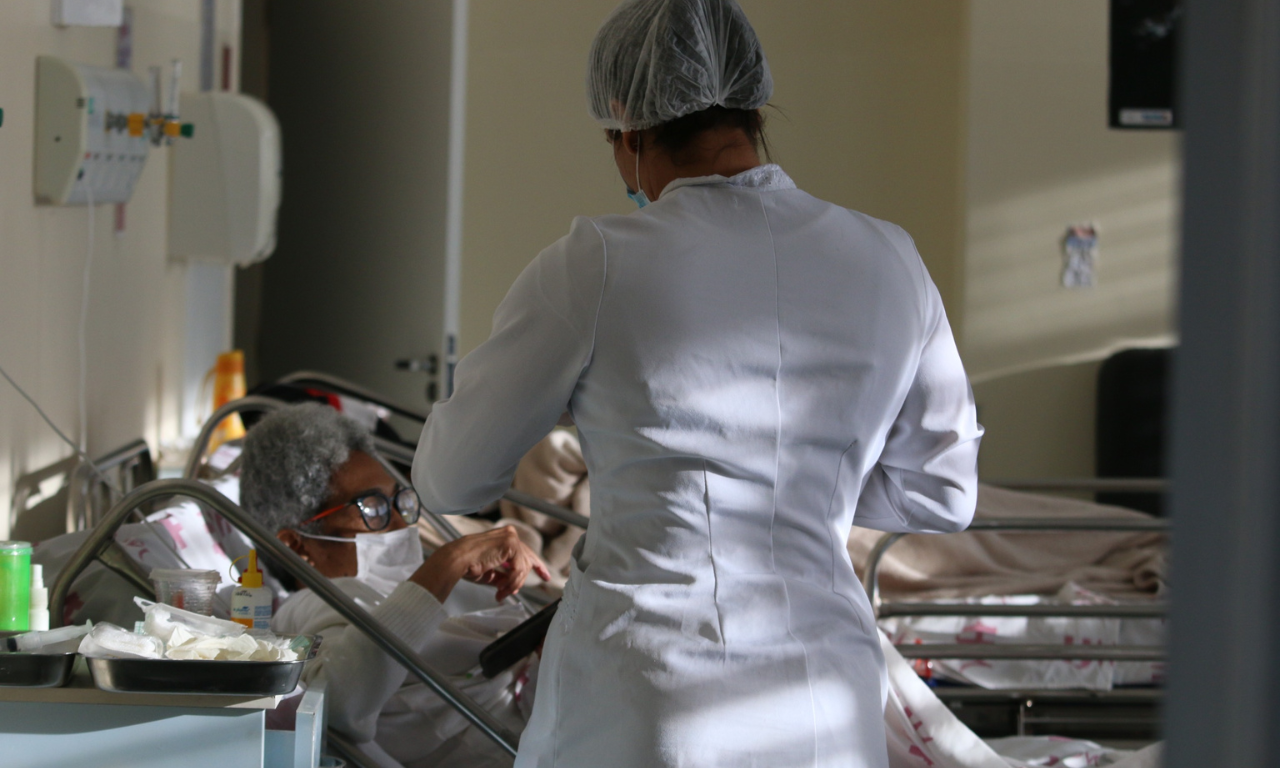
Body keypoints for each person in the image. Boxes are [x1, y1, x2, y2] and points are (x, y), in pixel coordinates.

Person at [412, 0, 983, 765]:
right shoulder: (890, 260)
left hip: (652, 695)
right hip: (824, 704)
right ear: (755, 112)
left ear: (628, 129)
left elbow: (449, 479)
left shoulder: (595, 264)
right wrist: (810, 485)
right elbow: (943, 495)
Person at [239, 403, 550, 768]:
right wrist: (446, 564)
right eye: (372, 509)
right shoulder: (308, 606)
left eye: (398, 501)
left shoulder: (422, 587)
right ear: (296, 544)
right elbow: (340, 702)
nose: (402, 523)